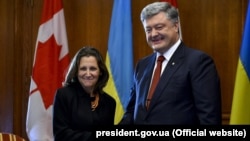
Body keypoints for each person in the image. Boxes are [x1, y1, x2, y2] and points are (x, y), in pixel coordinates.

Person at [119, 2, 221, 125]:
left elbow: (209, 118)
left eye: (159, 27)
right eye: (148, 29)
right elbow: (131, 111)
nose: (154, 34)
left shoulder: (198, 62)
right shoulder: (142, 65)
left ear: (175, 26)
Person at [53, 46, 116, 140]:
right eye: (83, 69)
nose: (88, 73)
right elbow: (61, 135)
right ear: (76, 71)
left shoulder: (109, 102)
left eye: (93, 69)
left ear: (101, 72)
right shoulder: (63, 95)